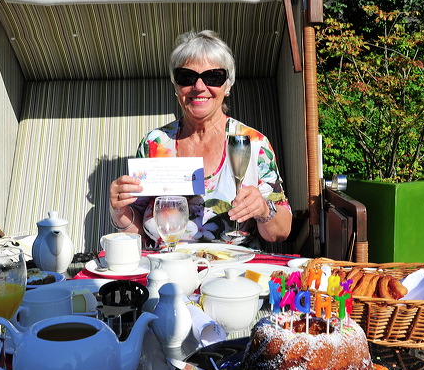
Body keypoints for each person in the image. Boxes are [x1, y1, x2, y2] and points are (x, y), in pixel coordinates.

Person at [109, 30, 292, 249]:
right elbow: (137, 232)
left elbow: (280, 233)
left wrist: (263, 209)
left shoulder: (253, 144)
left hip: (233, 273)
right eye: (187, 76)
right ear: (176, 86)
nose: (198, 86)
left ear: (228, 85)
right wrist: (119, 211)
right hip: (167, 269)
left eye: (213, 77)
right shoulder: (155, 143)